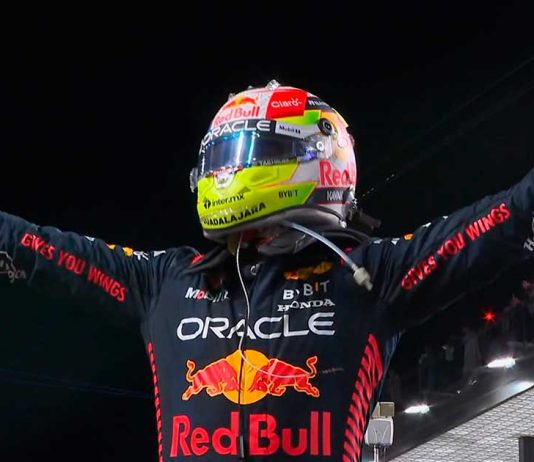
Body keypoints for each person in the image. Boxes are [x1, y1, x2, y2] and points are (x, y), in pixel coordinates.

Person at [0, 79, 533, 462]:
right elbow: (37, 248)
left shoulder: (369, 273)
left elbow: (506, 219)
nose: (230, 170)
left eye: (257, 151)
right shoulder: (166, 279)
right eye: (222, 156)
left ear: (319, 159)